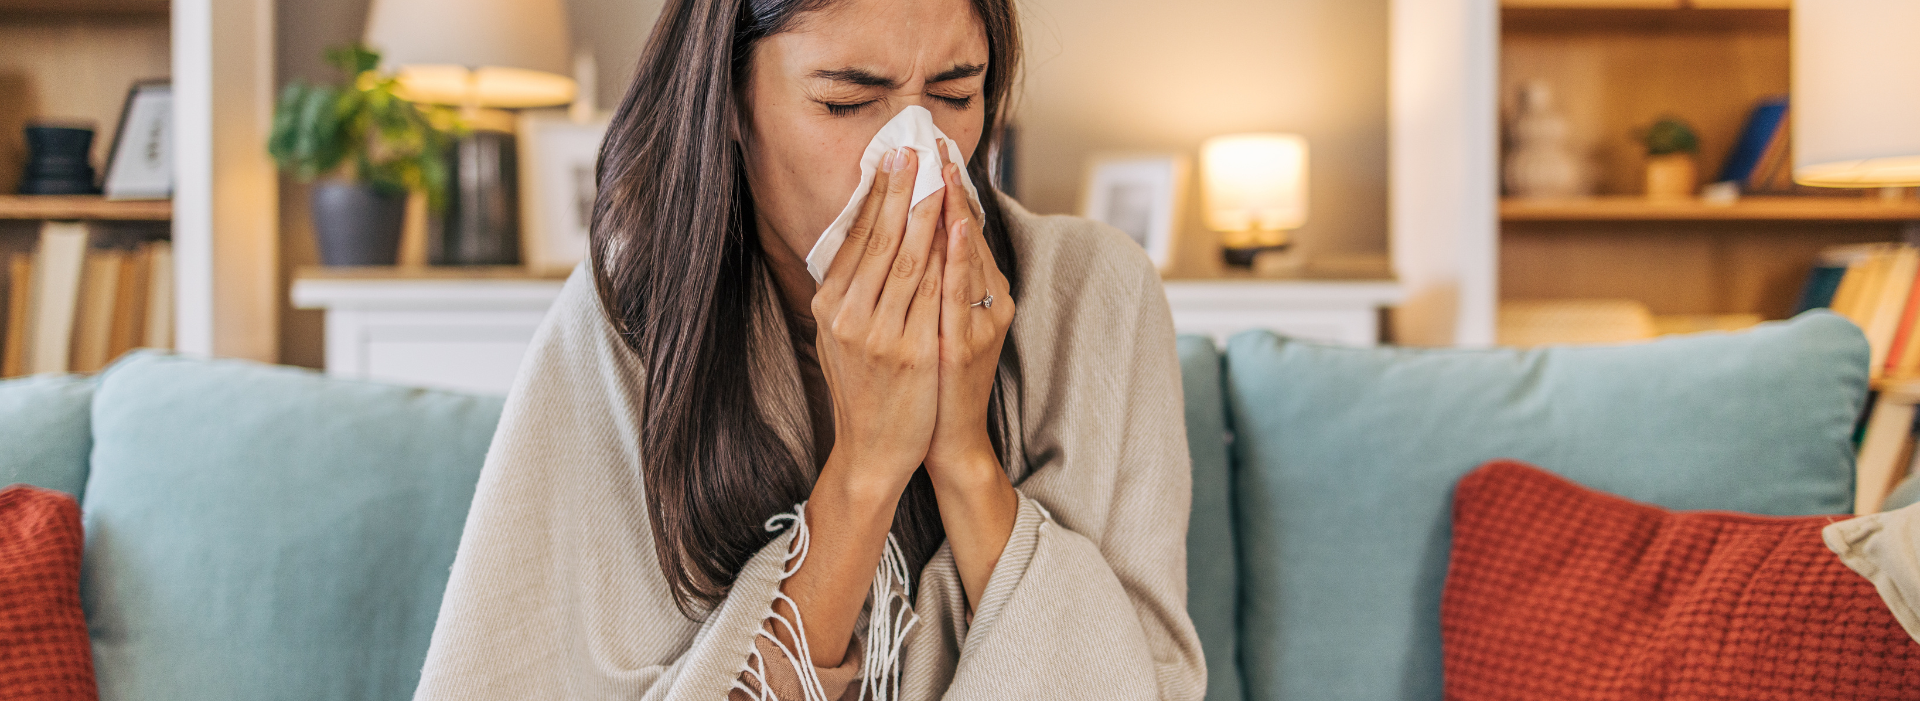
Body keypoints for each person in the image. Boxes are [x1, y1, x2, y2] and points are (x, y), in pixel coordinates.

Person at [413, 0, 1203, 698]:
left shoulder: (1098, 295)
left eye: (956, 95)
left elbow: (1144, 681)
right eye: (848, 101)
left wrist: (962, 454)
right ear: (727, 96)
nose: (916, 155)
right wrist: (865, 467)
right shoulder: (629, 317)